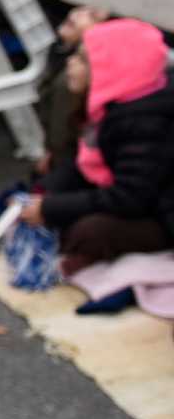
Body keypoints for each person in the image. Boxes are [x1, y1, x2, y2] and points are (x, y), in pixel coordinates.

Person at [21, 19, 173, 274]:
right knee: (44, 211)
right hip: (146, 203)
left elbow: (130, 197)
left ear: (111, 68)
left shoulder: (147, 119)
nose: (71, 63)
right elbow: (86, 164)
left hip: (162, 213)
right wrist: (43, 192)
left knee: (88, 232)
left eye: (82, 60)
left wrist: (52, 208)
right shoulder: (117, 105)